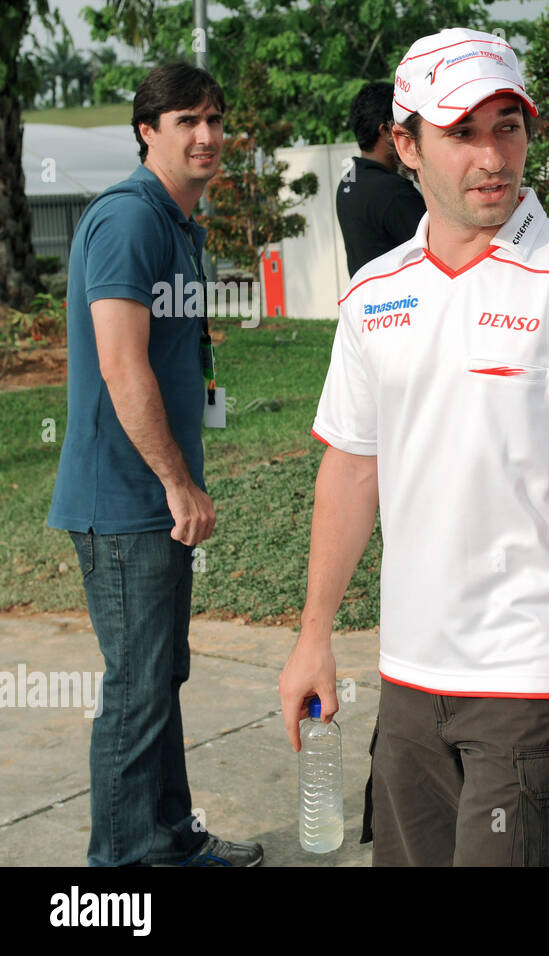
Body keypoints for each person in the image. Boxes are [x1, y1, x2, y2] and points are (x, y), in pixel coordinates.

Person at [277, 28, 549, 867]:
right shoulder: (375, 293)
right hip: (410, 677)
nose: (493, 156)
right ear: (408, 144)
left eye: (509, 127)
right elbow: (352, 467)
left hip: (530, 678)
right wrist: (314, 635)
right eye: (463, 133)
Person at [47, 63, 262, 867]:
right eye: (186, 122)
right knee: (135, 695)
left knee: (158, 680)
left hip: (158, 503)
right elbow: (120, 365)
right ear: (148, 131)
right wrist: (176, 481)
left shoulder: (176, 224)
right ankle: (120, 871)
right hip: (127, 500)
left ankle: (167, 841)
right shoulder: (130, 221)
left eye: (213, 119)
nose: (207, 136)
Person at [337, 81, 426, 277]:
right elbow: (438, 251)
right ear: (386, 131)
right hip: (405, 301)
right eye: (404, 126)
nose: (409, 134)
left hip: (367, 299)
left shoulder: (348, 182)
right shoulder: (393, 191)